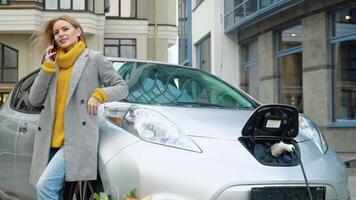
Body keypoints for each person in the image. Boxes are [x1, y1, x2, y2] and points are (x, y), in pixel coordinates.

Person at [28, 15, 128, 200]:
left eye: (65, 29)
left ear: (78, 31)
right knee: (57, 193)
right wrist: (47, 67)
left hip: (75, 139)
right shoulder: (53, 63)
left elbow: (122, 87)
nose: (60, 34)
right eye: (56, 32)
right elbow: (34, 99)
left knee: (45, 187)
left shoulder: (94, 59)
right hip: (50, 139)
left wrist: (99, 95)